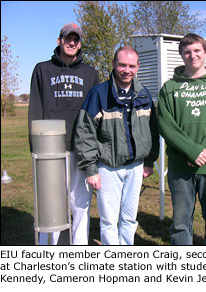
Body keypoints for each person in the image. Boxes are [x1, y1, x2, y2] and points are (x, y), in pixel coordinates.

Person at [75, 46, 159, 245]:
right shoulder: (98, 94)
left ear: (138, 67)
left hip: (136, 167)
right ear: (113, 64)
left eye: (131, 66)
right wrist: (91, 169)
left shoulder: (144, 95)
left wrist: (149, 161)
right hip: (108, 169)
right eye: (122, 65)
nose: (126, 70)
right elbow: (85, 133)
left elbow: (153, 131)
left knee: (129, 219)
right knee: (109, 221)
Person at [157, 33, 206, 245]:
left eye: (197, 51)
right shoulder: (169, 88)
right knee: (181, 224)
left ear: (205, 52)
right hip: (180, 167)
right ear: (181, 55)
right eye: (187, 52)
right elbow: (166, 124)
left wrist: (204, 151)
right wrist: (191, 151)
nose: (192, 55)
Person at [28, 23, 99, 245]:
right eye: (67, 38)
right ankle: (47, 248)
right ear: (59, 41)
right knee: (52, 202)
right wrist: (36, 146)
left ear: (80, 43)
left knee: (80, 203)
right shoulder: (42, 69)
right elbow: (35, 108)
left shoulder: (90, 73)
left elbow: (95, 112)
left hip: (81, 146)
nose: (72, 42)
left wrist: (94, 146)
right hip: (51, 146)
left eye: (76, 39)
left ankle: (78, 249)